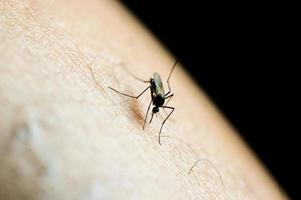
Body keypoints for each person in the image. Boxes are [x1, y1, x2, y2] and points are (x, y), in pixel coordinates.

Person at [0, 0, 287, 199]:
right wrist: (145, 91)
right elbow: (150, 89)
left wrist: (157, 120)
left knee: (164, 99)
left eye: (157, 106)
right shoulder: (154, 92)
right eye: (156, 105)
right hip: (152, 81)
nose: (156, 107)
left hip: (159, 84)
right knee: (147, 93)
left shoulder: (162, 100)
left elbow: (160, 100)